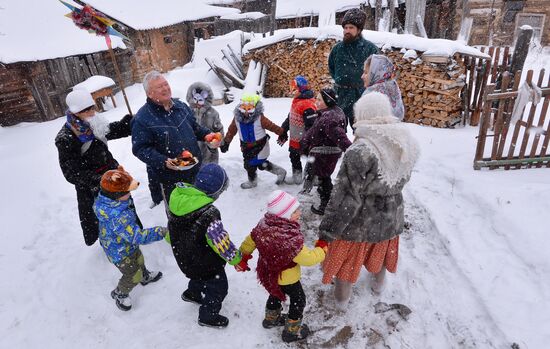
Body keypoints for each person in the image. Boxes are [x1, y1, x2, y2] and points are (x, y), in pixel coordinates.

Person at [318, 92, 419, 306]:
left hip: (359, 224)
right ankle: (377, 288)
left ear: (363, 115)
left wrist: (327, 231)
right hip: (391, 217)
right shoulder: (404, 140)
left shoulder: (361, 150)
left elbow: (345, 198)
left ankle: (341, 302)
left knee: (346, 265)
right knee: (380, 255)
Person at [235, 190, 327, 343]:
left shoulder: (263, 225)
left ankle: (271, 319)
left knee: (275, 293)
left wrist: (243, 256)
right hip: (287, 277)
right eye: (295, 211)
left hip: (268, 272)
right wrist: (321, 249)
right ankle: (291, 332)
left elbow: (249, 241)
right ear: (284, 216)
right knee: (298, 300)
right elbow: (309, 259)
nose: (299, 212)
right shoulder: (288, 239)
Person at [55, 89, 133, 246]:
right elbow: (71, 172)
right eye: (87, 110)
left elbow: (110, 130)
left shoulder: (93, 123)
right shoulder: (66, 138)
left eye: (93, 107)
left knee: (125, 212)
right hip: (93, 187)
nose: (92, 112)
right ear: (76, 112)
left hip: (114, 176)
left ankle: (132, 236)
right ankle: (116, 248)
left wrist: (129, 123)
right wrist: (101, 180)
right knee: (106, 220)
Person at [167, 163, 241, 328]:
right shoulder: (209, 213)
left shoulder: (178, 199)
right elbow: (220, 242)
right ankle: (208, 315)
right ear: (216, 192)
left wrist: (174, 240)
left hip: (183, 257)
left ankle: (193, 293)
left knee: (197, 276)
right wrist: (235, 258)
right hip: (205, 263)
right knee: (218, 288)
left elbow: (172, 228)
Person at [131, 71, 221, 204]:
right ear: (149, 93)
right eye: (159, 87)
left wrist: (206, 134)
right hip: (171, 180)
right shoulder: (142, 119)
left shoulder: (181, 106)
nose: (165, 88)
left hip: (195, 168)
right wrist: (164, 161)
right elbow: (140, 149)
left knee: (201, 205)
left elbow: (194, 127)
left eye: (165, 84)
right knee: (181, 214)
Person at [93, 167, 167, 311]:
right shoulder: (116, 216)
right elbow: (136, 236)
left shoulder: (112, 203)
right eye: (126, 192)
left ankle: (144, 276)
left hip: (125, 244)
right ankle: (120, 293)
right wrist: (161, 232)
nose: (129, 194)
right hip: (119, 252)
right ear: (116, 195)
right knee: (132, 274)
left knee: (139, 259)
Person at [301, 88, 352, 215]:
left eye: (319, 99)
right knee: (322, 177)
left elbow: (340, 137)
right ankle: (326, 196)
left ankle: (325, 205)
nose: (315, 101)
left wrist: (351, 151)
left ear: (328, 101)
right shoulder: (329, 112)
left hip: (323, 155)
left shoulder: (330, 118)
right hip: (322, 154)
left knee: (324, 179)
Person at [220, 93, 286, 189]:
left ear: (255, 107)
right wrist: (226, 142)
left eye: (249, 108)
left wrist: (282, 133)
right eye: (244, 108)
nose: (246, 112)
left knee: (251, 164)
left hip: (261, 146)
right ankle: (280, 172)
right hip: (246, 147)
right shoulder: (237, 119)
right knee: (258, 165)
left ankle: (253, 181)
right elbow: (231, 130)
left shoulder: (260, 118)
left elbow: (272, 126)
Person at [328, 8, 379, 129]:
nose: (347, 31)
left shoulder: (370, 49)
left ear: (359, 30)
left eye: (351, 28)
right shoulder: (337, 49)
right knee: (335, 132)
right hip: (339, 96)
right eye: (345, 28)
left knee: (361, 131)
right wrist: (342, 81)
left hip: (360, 96)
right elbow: (332, 68)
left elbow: (377, 72)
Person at [277, 76, 317, 185]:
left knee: (311, 158)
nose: (292, 92)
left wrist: (307, 141)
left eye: (294, 89)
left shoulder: (308, 105)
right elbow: (290, 117)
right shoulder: (297, 101)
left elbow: (312, 126)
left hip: (304, 140)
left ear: (301, 89)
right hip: (295, 138)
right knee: (293, 157)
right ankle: (297, 176)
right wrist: (283, 130)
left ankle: (315, 177)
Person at [186, 82, 225, 164]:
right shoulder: (187, 112)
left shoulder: (213, 113)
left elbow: (219, 130)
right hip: (191, 153)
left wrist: (217, 141)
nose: (197, 103)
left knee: (208, 174)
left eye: (200, 100)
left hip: (209, 153)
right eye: (195, 99)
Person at [362, 54, 405, 120]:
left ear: (376, 73)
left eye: (366, 72)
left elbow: (365, 124)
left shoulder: (371, 95)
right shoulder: (393, 87)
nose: (362, 76)